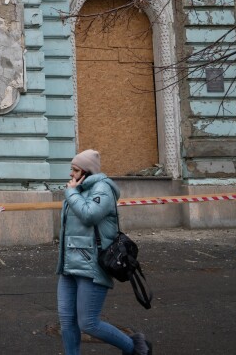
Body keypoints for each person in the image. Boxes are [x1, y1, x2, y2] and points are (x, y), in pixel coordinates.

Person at [56, 149, 151, 355]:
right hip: (69, 265)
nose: (71, 174)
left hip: (91, 264)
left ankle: (134, 348)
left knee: (88, 323)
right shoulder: (79, 189)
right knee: (66, 321)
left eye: (75, 170)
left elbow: (90, 215)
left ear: (87, 171)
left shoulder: (103, 189)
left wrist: (71, 193)